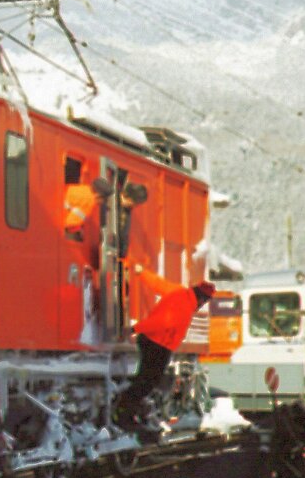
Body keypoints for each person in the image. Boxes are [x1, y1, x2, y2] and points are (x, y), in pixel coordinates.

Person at [112, 265, 215, 436]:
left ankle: (130, 409)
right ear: (203, 298)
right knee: (148, 381)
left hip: (155, 343)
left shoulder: (180, 292)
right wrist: (135, 328)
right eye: (205, 300)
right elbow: (162, 322)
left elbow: (158, 284)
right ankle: (123, 412)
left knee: (147, 379)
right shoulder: (185, 305)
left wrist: (140, 272)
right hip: (157, 344)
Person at [63, 177, 112, 241]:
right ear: (98, 196)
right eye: (105, 200)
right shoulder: (90, 202)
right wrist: (83, 232)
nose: (104, 203)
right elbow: (71, 225)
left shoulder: (84, 189)